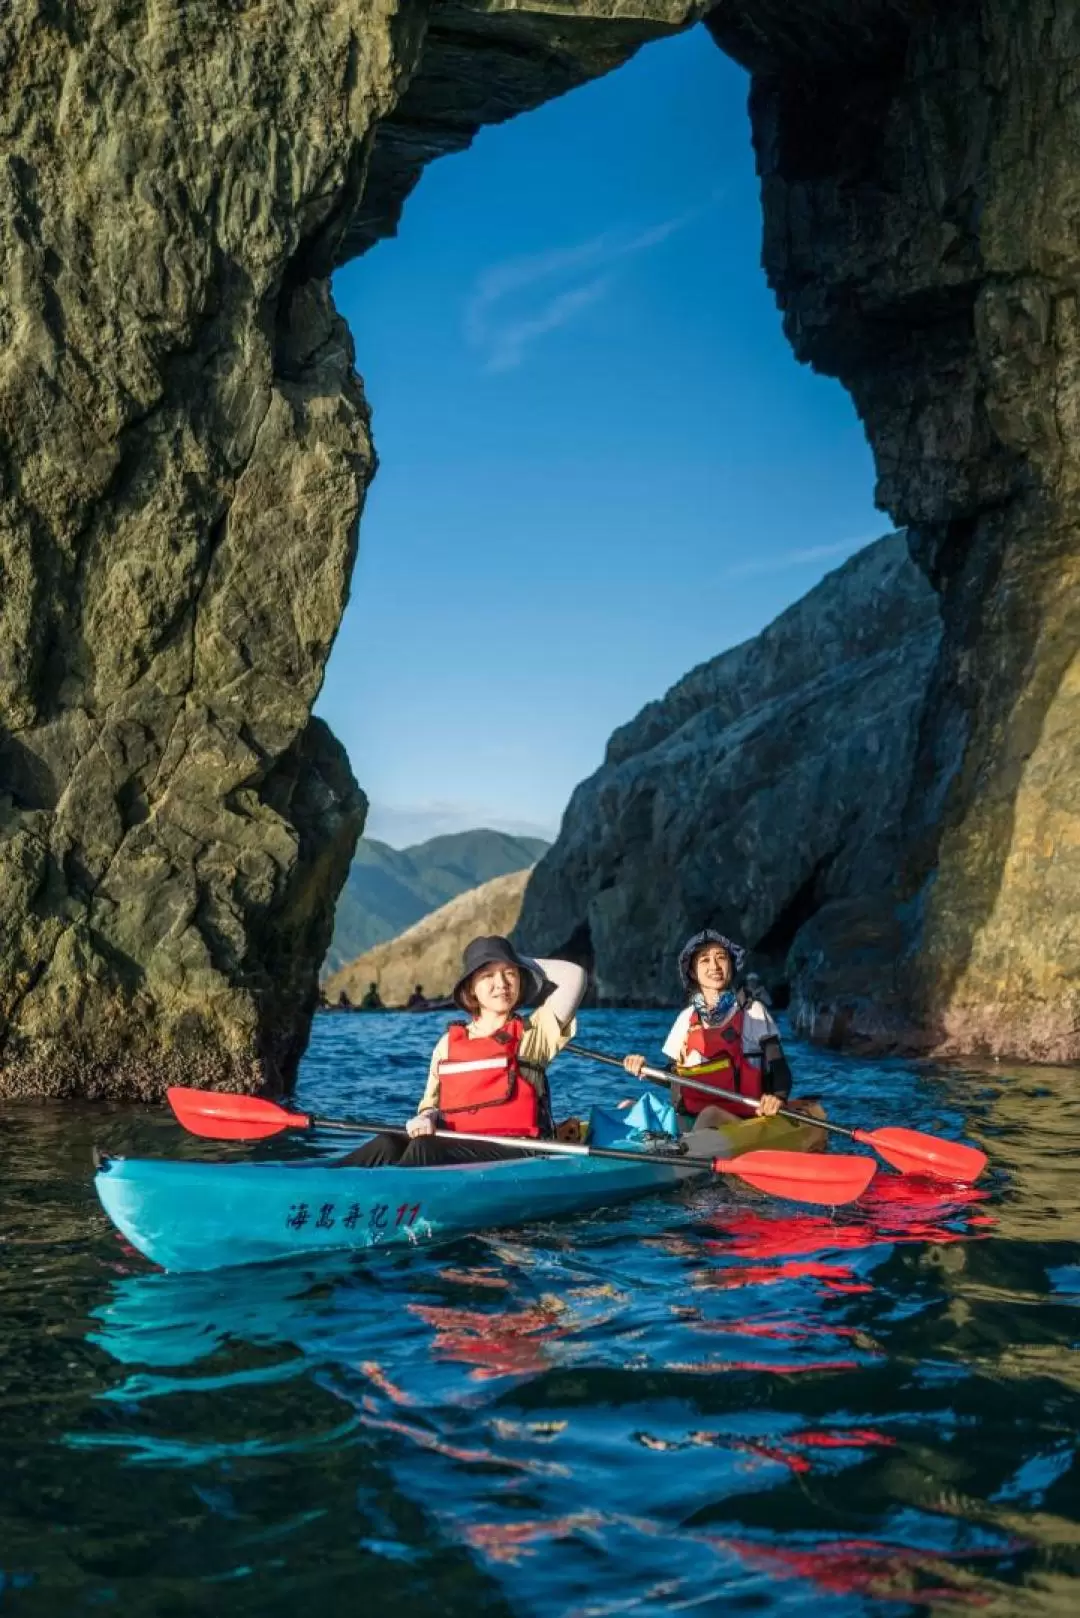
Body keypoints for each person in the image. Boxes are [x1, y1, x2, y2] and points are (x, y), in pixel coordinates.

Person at [340, 936, 587, 1167]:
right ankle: (324, 1182)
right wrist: (426, 1117)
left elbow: (574, 976)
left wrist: (516, 957)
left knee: (425, 1148)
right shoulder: (447, 1044)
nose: (501, 983)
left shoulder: (536, 1032)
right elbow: (430, 1104)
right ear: (471, 988)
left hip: (521, 1150)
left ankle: (388, 1200)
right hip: (458, 1147)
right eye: (488, 975)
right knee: (388, 1143)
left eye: (509, 973)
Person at [622, 929, 792, 1130]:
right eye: (705, 960)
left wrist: (777, 1098)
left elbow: (780, 1068)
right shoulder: (686, 1018)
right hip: (691, 1117)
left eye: (721, 958)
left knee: (709, 1116)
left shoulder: (752, 1012)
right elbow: (673, 1077)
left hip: (743, 1122)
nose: (714, 966)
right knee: (627, 1107)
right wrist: (644, 1069)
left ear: (731, 965)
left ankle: (676, 1154)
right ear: (693, 972)